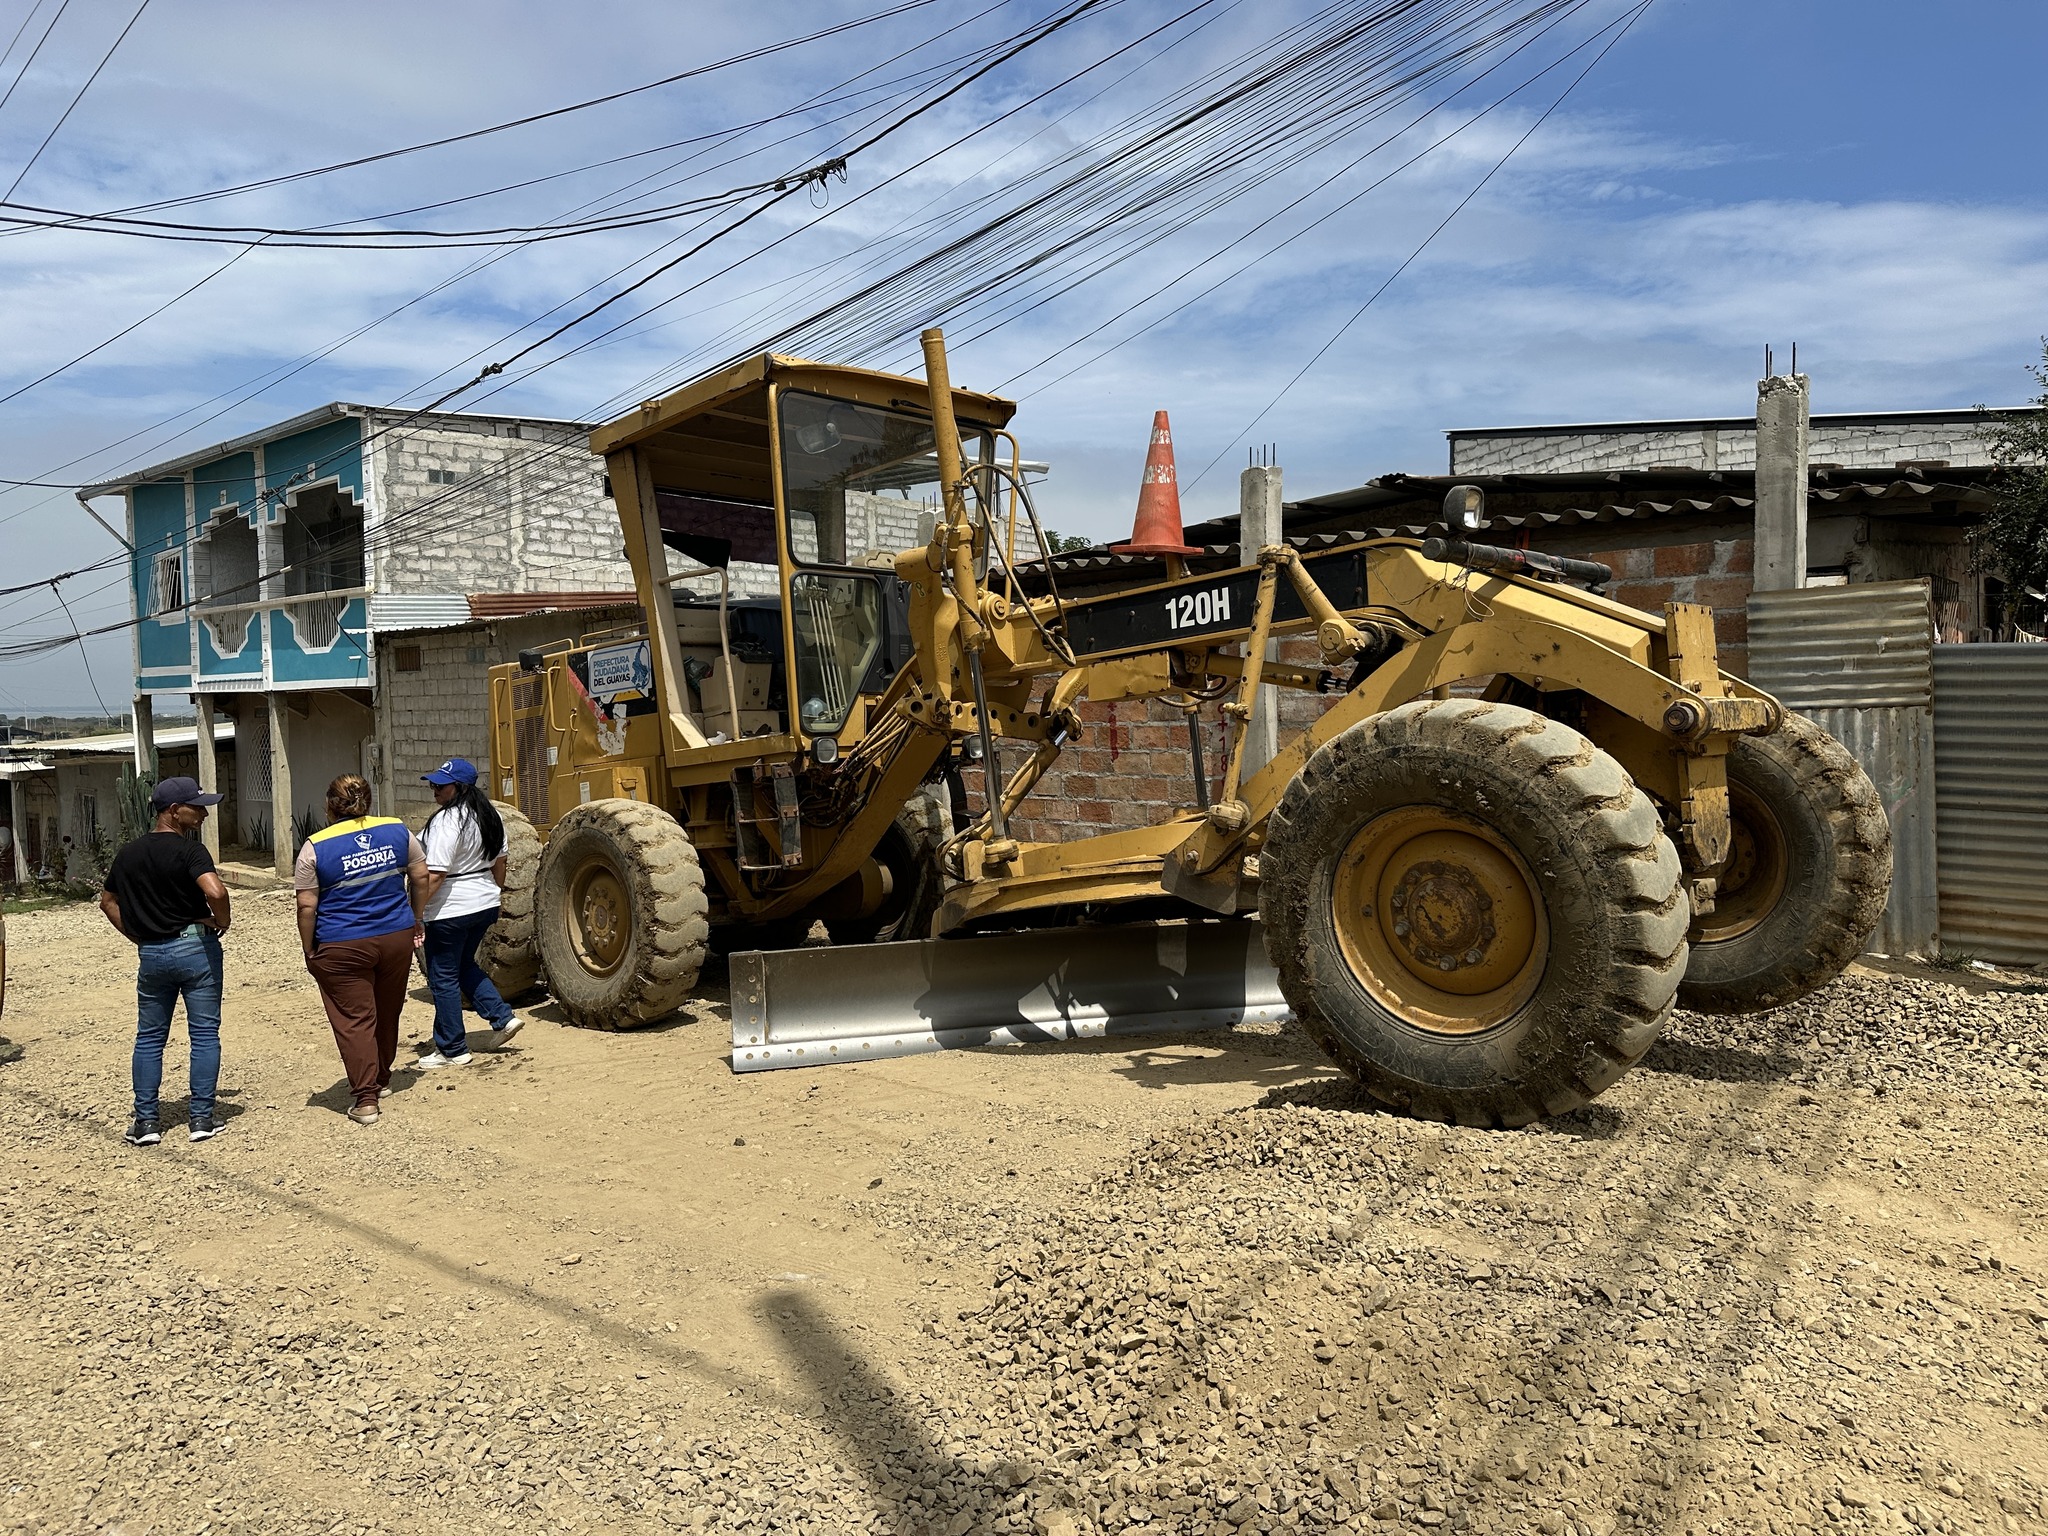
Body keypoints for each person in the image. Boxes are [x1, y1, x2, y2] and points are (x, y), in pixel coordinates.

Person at [98, 776, 232, 1146]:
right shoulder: (191, 851)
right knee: (203, 1033)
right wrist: (222, 920)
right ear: (174, 811)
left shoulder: (128, 853)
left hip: (152, 954)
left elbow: (107, 902)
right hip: (195, 949)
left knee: (149, 1037)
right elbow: (216, 890)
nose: (204, 813)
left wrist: (138, 936)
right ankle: (202, 1118)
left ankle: (146, 1122)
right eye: (197, 807)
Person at [296, 774, 430, 1127]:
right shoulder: (398, 830)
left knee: (355, 1019)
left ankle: (366, 1100)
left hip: (342, 943)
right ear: (368, 800)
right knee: (387, 1009)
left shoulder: (315, 846)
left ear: (330, 804)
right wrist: (417, 918)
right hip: (396, 936)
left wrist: (309, 949)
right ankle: (381, 1078)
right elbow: (421, 876)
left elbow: (307, 906)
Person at [414, 758, 524, 1068]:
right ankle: (502, 1017)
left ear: (460, 788)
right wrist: (494, 894)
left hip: (450, 910)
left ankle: (452, 1049)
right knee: (463, 965)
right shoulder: (490, 815)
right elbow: (500, 863)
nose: (434, 789)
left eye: (441, 785)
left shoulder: (446, 820)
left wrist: (415, 912)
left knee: (443, 978)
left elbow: (436, 874)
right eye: (432, 784)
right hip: (483, 904)